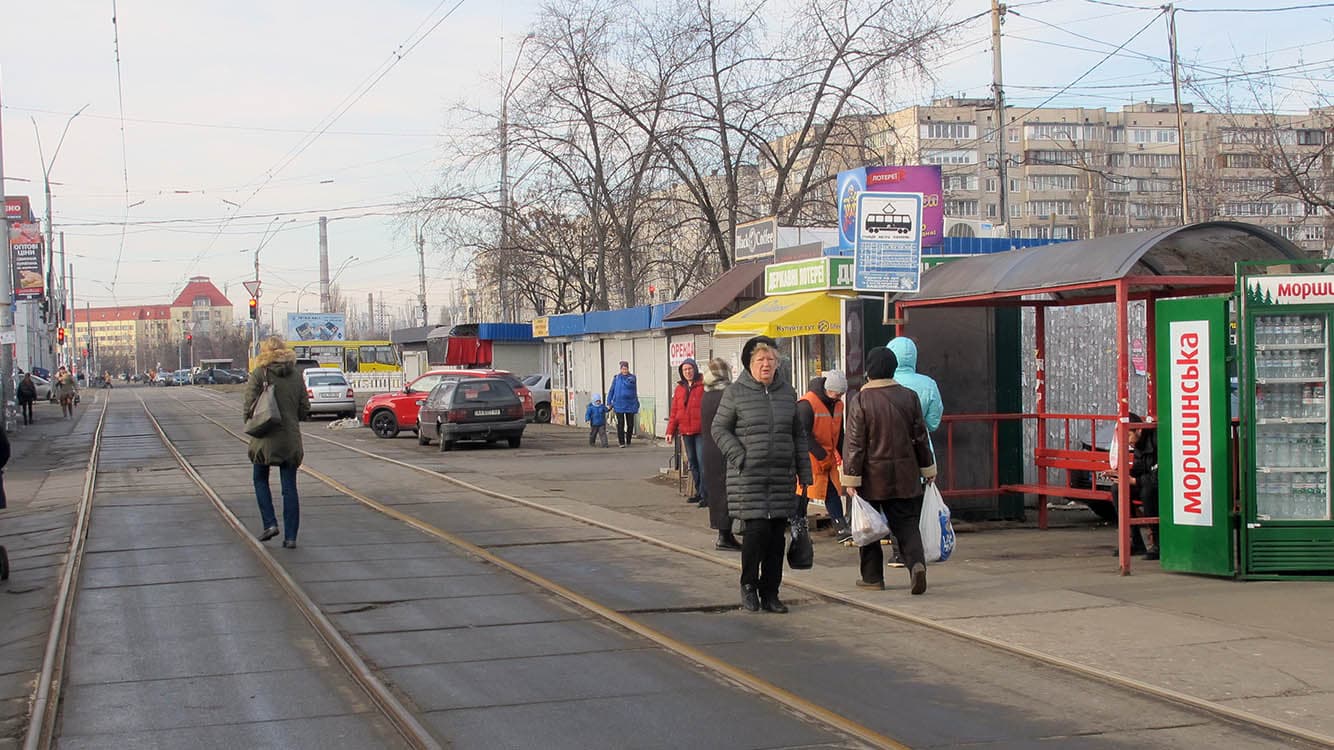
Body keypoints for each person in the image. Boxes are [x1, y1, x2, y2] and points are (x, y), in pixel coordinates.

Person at [712, 336, 812, 614]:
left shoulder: (787, 393)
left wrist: (805, 472)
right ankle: (748, 586)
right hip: (749, 477)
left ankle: (771, 592)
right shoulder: (735, 393)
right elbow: (719, 429)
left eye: (770, 360)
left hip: (781, 476)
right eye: (760, 360)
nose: (766, 364)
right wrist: (741, 457)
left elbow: (798, 435)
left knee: (776, 539)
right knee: (756, 535)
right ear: (749, 364)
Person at [841, 346, 936, 595]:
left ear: (869, 371)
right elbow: (920, 437)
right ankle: (916, 565)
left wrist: (851, 478)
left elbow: (854, 443)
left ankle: (872, 578)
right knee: (907, 524)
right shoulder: (909, 397)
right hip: (906, 474)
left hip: (872, 478)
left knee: (869, 527)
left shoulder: (860, 400)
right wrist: (928, 468)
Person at [244, 336, 311, 548]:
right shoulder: (296, 376)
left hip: (264, 436)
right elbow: (304, 410)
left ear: (264, 352)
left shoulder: (259, 374)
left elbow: (248, 409)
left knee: (260, 478)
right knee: (289, 487)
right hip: (290, 439)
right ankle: (291, 537)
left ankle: (270, 523)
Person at [885, 337, 944, 565]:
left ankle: (898, 551)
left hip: (887, 454)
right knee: (915, 507)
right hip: (919, 453)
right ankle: (917, 552)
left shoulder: (884, 384)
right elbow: (933, 422)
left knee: (891, 503)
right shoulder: (928, 384)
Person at [797, 370, 850, 542]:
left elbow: (839, 433)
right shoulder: (807, 404)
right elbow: (803, 434)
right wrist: (821, 455)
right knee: (803, 493)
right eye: (837, 393)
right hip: (810, 457)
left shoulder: (838, 404)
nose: (839, 397)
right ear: (828, 389)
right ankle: (800, 527)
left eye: (841, 394)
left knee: (830, 490)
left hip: (825, 457)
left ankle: (840, 526)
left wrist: (844, 455)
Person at [700, 358, 741, 550]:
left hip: (709, 449)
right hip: (725, 449)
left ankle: (722, 533)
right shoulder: (728, 394)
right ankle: (725, 536)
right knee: (728, 492)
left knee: (717, 492)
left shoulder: (706, 395)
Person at [666, 358, 706, 505]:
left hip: (700, 431)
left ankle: (705, 494)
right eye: (685, 370)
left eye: (690, 369)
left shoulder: (703, 386)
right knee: (693, 463)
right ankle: (698, 492)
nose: (688, 372)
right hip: (686, 431)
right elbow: (674, 411)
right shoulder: (679, 389)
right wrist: (670, 431)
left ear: (695, 369)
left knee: (702, 463)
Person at [606, 361, 640, 448]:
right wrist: (609, 401)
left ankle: (628, 439)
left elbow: (630, 384)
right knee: (620, 424)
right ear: (620, 369)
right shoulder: (616, 378)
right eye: (623, 369)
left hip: (630, 404)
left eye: (626, 368)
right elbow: (612, 390)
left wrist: (626, 379)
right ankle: (621, 442)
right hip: (619, 404)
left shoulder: (632, 378)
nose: (624, 370)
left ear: (628, 369)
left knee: (630, 424)